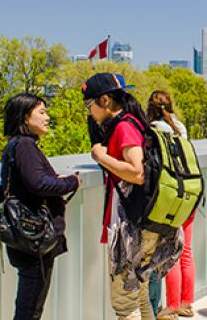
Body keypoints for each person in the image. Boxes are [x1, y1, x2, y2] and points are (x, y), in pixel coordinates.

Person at [84, 73, 182, 320]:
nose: (89, 112)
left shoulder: (124, 127)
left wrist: (100, 156)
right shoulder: (134, 123)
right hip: (146, 223)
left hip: (132, 230)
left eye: (89, 104)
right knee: (140, 295)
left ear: (105, 100)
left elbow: (137, 172)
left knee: (126, 304)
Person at [0, 93, 80, 320]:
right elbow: (39, 183)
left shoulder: (18, 145)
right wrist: (71, 182)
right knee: (30, 306)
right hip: (34, 238)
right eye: (42, 112)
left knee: (30, 301)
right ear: (26, 117)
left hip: (27, 235)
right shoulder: (25, 145)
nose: (47, 117)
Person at [147, 91, 196, 320]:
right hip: (189, 193)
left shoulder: (152, 129)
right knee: (185, 251)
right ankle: (187, 302)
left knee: (169, 253)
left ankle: (172, 305)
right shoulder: (180, 127)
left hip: (168, 198)